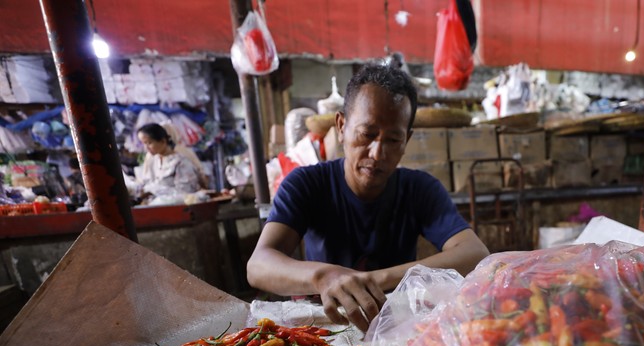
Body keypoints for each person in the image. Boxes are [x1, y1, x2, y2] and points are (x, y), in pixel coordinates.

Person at [247, 63, 489, 331]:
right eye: (367, 134)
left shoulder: (420, 189)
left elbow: (475, 253)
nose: (377, 153)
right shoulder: (306, 184)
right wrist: (324, 277)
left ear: (406, 141)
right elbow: (258, 265)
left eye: (393, 140)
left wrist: (375, 279)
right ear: (341, 126)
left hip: (395, 325)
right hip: (324, 327)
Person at [136, 123, 202, 199]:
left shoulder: (181, 162)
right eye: (144, 143)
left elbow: (186, 193)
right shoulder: (152, 160)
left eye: (149, 143)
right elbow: (146, 182)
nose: (146, 148)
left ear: (163, 141)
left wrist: (154, 191)